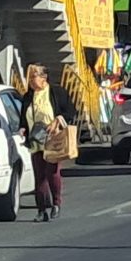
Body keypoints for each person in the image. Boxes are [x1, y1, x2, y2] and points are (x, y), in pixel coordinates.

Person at [18, 64, 76, 222]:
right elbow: (24, 117)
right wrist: (22, 128)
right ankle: (41, 210)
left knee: (52, 173)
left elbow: (70, 111)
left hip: (53, 139)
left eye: (33, 77)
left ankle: (56, 204)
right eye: (29, 77)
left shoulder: (56, 92)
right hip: (36, 140)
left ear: (43, 78)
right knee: (39, 175)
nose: (30, 81)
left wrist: (58, 119)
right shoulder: (28, 96)